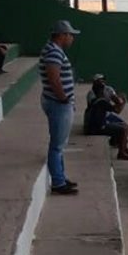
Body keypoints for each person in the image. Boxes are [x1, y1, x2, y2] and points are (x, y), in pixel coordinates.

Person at [39, 20, 80, 195]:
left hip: (58, 103)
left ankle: (60, 176)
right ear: (62, 35)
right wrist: (64, 98)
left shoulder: (53, 50)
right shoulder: (54, 53)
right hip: (58, 104)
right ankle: (58, 182)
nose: (72, 39)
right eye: (70, 35)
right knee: (57, 145)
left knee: (59, 144)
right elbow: (54, 78)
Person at [83, 80, 128, 160]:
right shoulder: (102, 101)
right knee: (125, 128)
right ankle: (121, 153)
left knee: (119, 123)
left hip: (93, 126)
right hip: (97, 129)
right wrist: (123, 101)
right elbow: (117, 110)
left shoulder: (94, 100)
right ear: (101, 91)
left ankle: (123, 146)